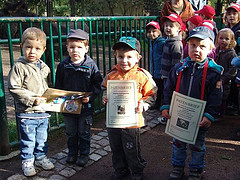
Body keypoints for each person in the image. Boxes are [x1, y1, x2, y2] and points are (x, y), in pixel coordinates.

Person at [160, 26, 223, 180]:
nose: (196, 49)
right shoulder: (179, 68)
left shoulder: (214, 72)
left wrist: (209, 115)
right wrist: (166, 105)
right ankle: (177, 167)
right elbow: (168, 89)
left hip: (199, 118)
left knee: (197, 145)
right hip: (179, 115)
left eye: (202, 46)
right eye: (193, 45)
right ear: (187, 46)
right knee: (178, 143)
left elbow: (216, 97)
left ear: (210, 48)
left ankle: (196, 169)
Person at [102, 36, 157, 180]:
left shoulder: (142, 76)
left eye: (129, 57)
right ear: (115, 56)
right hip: (114, 120)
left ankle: (136, 170)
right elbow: (104, 89)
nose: (124, 60)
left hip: (132, 120)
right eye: (120, 56)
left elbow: (152, 94)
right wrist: (105, 96)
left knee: (131, 147)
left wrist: (144, 104)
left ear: (138, 57)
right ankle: (120, 169)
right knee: (116, 147)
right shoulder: (111, 75)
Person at [8, 27, 54, 177]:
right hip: (27, 113)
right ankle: (27, 160)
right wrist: (31, 99)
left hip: (43, 112)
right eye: (28, 47)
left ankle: (40, 157)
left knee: (42, 138)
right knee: (28, 139)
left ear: (43, 50)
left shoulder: (44, 67)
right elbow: (14, 88)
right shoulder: (19, 67)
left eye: (37, 48)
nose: (32, 51)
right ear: (22, 46)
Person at [55, 29, 103, 166]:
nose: (75, 50)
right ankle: (72, 153)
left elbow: (97, 84)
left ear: (86, 48)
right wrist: (59, 98)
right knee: (71, 132)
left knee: (84, 132)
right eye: (72, 47)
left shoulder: (91, 65)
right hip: (68, 108)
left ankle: (83, 154)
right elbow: (58, 85)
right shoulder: (63, 66)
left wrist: (91, 96)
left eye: (79, 47)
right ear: (67, 48)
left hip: (85, 107)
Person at [159, 13, 184, 124]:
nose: (167, 28)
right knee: (166, 94)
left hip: (171, 76)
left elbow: (176, 64)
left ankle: (169, 116)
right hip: (166, 74)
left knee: (169, 95)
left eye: (171, 26)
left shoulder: (176, 44)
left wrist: (172, 76)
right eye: (166, 25)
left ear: (178, 29)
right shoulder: (169, 41)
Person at [215, 28, 237, 119]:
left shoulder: (231, 54)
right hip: (215, 77)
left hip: (225, 81)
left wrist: (224, 79)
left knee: (223, 97)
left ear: (231, 40)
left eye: (226, 39)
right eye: (221, 38)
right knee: (214, 96)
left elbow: (233, 70)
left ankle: (220, 114)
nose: (223, 41)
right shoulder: (216, 50)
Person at [223, 3, 240, 115]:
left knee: (235, 82)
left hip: (237, 60)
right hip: (227, 58)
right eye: (229, 14)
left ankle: (234, 105)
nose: (231, 16)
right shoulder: (227, 28)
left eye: (234, 13)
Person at [145, 21, 166, 110]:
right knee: (157, 88)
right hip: (154, 69)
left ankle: (160, 104)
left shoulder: (162, 42)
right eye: (149, 32)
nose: (151, 34)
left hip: (160, 70)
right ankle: (158, 103)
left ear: (159, 31)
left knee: (161, 88)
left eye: (154, 31)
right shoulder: (152, 42)